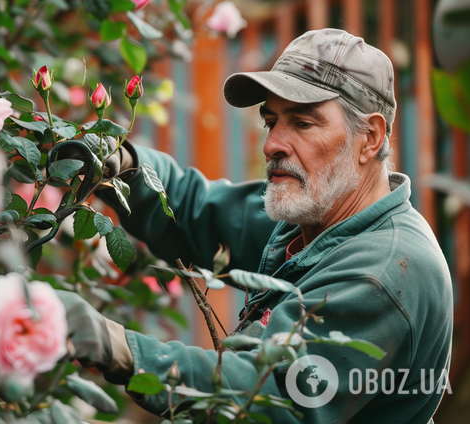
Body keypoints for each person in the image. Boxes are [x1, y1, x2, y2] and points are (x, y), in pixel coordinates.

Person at [59, 28, 454, 423]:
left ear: (370, 138)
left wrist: (121, 348)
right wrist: (124, 163)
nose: (272, 144)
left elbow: (270, 394)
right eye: (271, 121)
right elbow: (200, 209)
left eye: (302, 123)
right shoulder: (316, 217)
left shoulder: (382, 273)